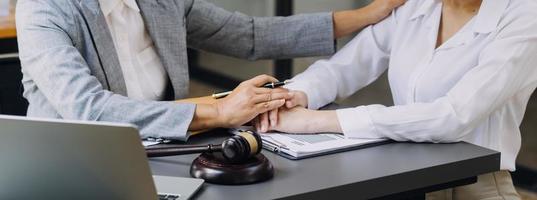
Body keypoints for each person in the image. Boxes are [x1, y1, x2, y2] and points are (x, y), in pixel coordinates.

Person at [260, 0, 537, 199]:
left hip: (474, 186)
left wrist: (318, 121)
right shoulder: (417, 5)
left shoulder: (526, 15)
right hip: (406, 176)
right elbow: (342, 69)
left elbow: (453, 116)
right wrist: (292, 96)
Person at [15, 0, 405, 140]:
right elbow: (91, 111)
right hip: (81, 164)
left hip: (165, 151)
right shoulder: (45, 9)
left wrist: (366, 15)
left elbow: (249, 35)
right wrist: (219, 110)